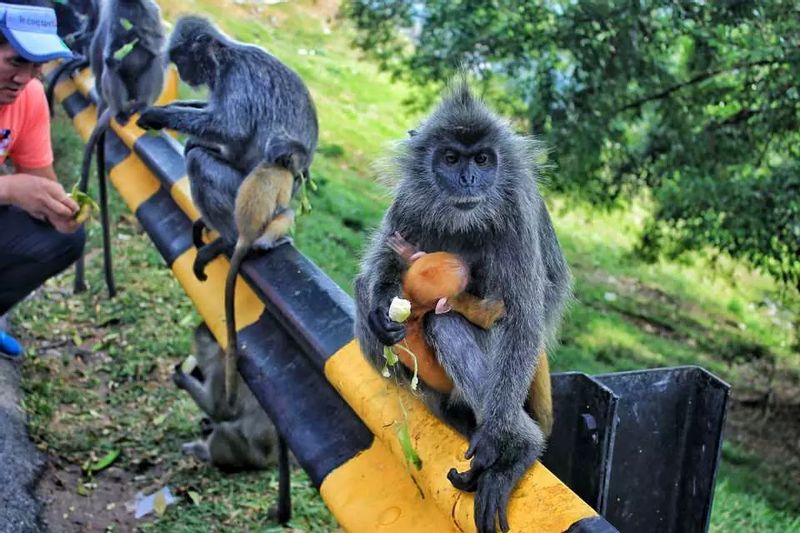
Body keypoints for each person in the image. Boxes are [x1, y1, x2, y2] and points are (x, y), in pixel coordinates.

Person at [0, 1, 83, 359]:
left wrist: (59, 210)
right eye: (15, 61)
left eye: (37, 65)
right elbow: (17, 189)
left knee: (60, 239)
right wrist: (10, 189)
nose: (25, 77)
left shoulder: (28, 96)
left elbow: (40, 183)